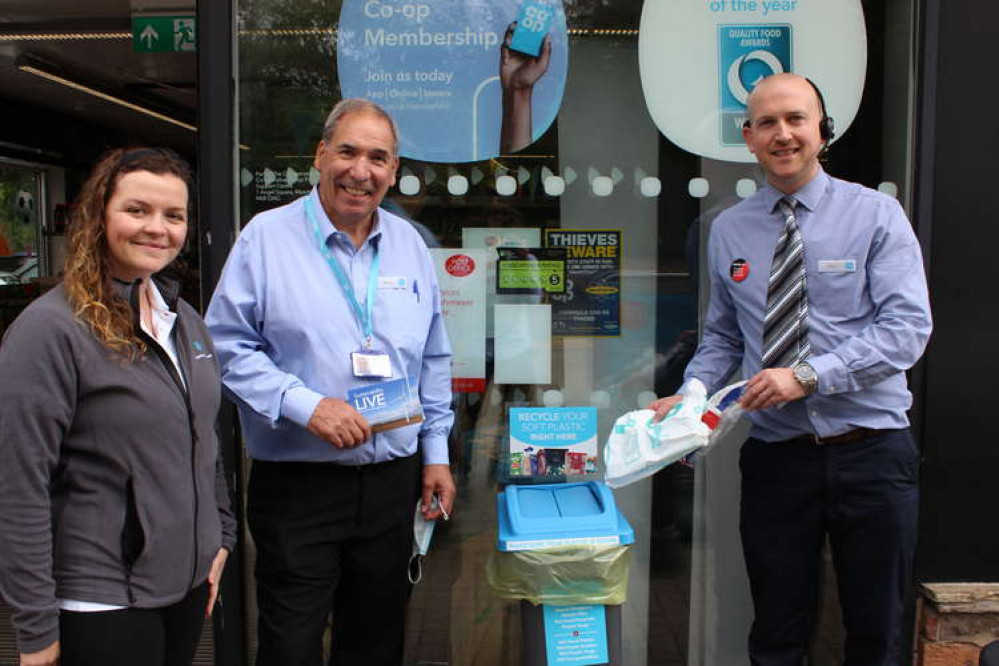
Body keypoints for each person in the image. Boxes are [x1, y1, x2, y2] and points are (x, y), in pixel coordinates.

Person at [648, 73, 932, 665]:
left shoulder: (877, 216)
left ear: (822, 130)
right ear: (748, 137)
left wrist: (807, 375)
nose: (784, 134)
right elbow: (724, 333)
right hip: (780, 460)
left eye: (796, 119)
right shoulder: (727, 229)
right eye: (767, 123)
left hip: (873, 455)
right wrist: (693, 393)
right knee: (777, 631)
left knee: (876, 633)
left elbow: (907, 331)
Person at [205, 98, 455, 666]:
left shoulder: (411, 245)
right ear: (320, 155)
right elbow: (225, 345)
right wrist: (303, 404)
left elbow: (434, 358)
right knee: (290, 646)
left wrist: (435, 455)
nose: (360, 171)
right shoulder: (265, 238)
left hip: (393, 481)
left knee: (375, 644)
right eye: (347, 151)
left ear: (394, 171)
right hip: (299, 486)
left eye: (378, 158)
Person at [0, 147, 236, 666]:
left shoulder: (184, 322)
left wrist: (219, 540)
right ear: (99, 215)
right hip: (100, 600)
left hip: (185, 588)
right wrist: (35, 629)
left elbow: (206, 439)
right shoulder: (51, 330)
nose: (158, 228)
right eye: (138, 210)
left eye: (173, 216)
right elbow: (19, 487)